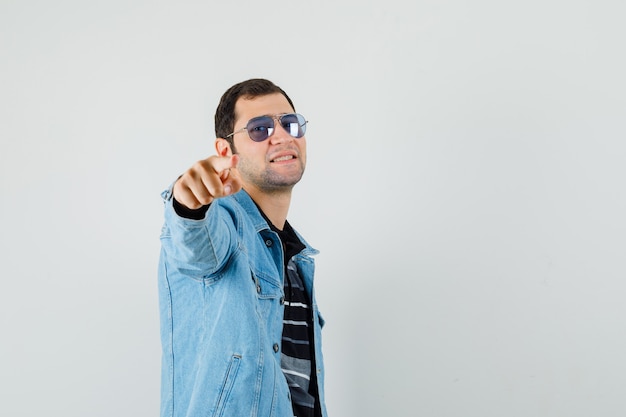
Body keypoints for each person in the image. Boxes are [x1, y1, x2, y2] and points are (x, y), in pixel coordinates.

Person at [158, 78, 327, 417]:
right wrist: (188, 202)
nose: (281, 136)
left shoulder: (296, 260)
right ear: (225, 151)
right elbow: (195, 248)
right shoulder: (221, 220)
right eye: (260, 129)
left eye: (290, 124)